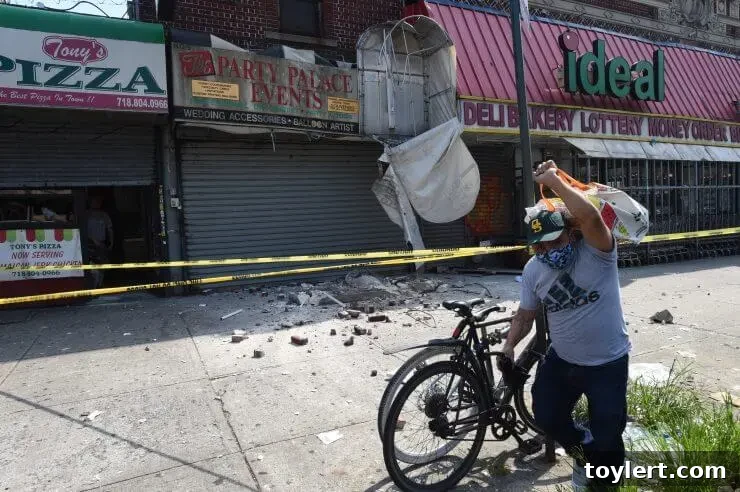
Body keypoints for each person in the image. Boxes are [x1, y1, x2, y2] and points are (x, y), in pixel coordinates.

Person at [499, 160, 631, 490]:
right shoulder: (534, 270)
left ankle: (606, 481)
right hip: (563, 361)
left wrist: (553, 181)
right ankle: (584, 452)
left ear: (569, 235)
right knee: (546, 415)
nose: (546, 251)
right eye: (539, 246)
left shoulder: (597, 251)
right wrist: (509, 344)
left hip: (607, 364)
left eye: (553, 242)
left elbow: (590, 217)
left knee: (609, 432)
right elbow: (525, 316)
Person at [86, 195, 114, 287]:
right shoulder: (86, 214)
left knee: (103, 266)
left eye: (99, 201)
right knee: (92, 267)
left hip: (101, 244)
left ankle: (99, 285)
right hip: (89, 245)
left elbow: (110, 229)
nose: (97, 203)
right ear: (90, 202)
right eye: (95, 201)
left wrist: (111, 242)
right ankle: (93, 286)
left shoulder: (104, 215)